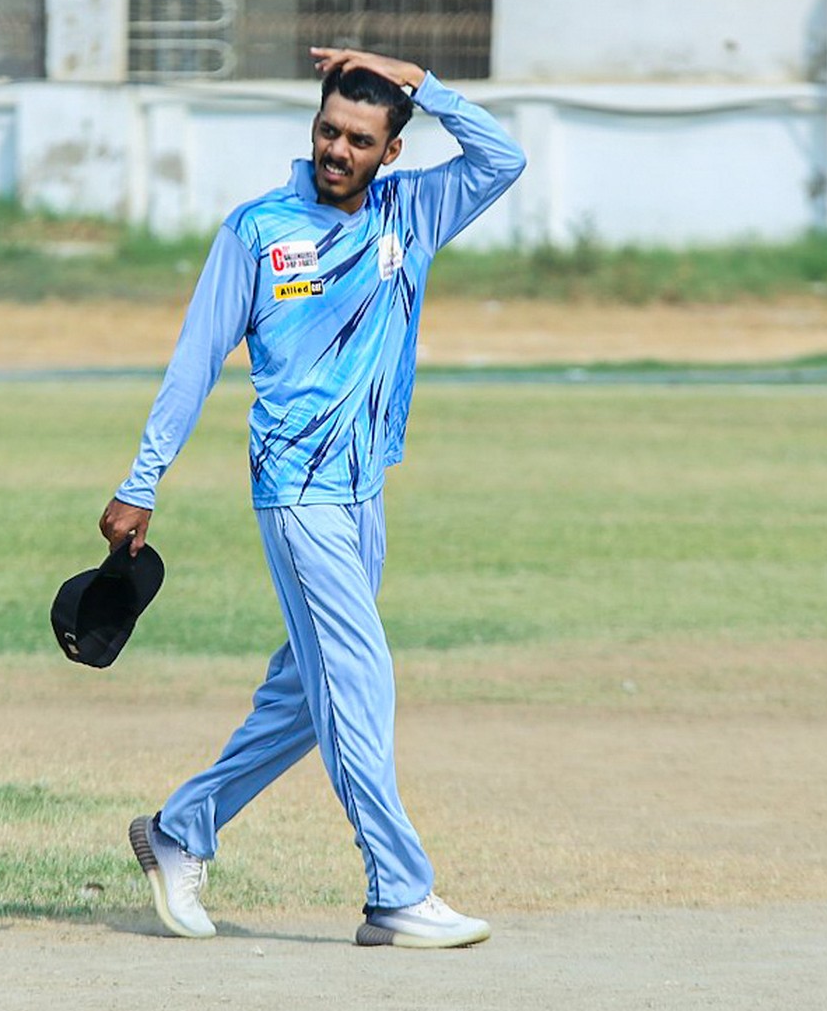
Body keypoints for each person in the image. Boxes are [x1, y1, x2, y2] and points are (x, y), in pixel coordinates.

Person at [99, 46, 525, 948]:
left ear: (391, 150)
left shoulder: (413, 211)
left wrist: (420, 83)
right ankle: (398, 891)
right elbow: (194, 361)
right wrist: (143, 479)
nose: (338, 149)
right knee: (359, 680)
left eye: (361, 139)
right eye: (329, 130)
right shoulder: (258, 231)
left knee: (305, 696)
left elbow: (503, 158)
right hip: (297, 492)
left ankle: (180, 829)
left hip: (365, 492)